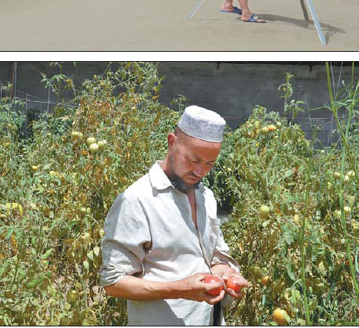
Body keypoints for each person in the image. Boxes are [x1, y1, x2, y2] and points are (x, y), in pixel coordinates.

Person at [100, 105, 248, 326]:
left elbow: (213, 257)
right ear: (172, 142)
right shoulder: (137, 200)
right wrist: (181, 289)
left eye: (209, 164)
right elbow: (113, 282)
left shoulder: (205, 196)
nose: (200, 172)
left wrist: (225, 274)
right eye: (193, 160)